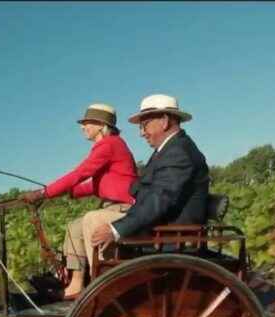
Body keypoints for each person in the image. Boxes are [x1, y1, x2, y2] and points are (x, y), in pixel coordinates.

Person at [20, 103, 137, 299]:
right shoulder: (111, 145)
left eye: (87, 123)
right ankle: (75, 285)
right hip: (113, 205)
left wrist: (44, 193)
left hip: (123, 207)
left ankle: (100, 281)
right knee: (74, 227)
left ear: (101, 125)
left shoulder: (109, 144)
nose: (83, 127)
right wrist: (69, 192)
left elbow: (81, 173)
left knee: (90, 219)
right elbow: (98, 183)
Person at [91, 94, 210, 252]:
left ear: (164, 121)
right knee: (81, 225)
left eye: (144, 125)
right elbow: (143, 190)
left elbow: (159, 199)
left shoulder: (179, 152)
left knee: (94, 220)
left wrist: (115, 230)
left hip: (172, 235)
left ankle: (104, 273)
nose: (141, 133)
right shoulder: (166, 150)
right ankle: (78, 276)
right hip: (158, 226)